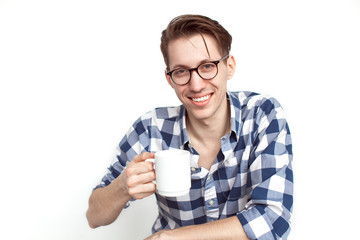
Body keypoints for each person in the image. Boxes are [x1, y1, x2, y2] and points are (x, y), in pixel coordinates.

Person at [86, 14, 293, 240]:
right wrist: (123, 187)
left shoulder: (261, 114)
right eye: (182, 71)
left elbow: (273, 220)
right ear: (170, 79)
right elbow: (94, 217)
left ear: (229, 66)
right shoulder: (150, 128)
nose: (196, 85)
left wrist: (172, 237)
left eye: (207, 66)